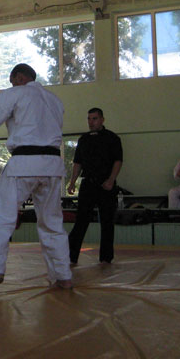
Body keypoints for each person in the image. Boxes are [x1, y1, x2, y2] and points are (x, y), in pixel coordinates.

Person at [0, 64, 72, 295]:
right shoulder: (55, 100)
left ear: (18, 77)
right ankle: (63, 276)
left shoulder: (17, 93)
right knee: (52, 223)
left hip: (25, 163)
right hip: (52, 165)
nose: (11, 85)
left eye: (12, 81)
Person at [67, 108, 122, 265]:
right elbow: (77, 162)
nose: (91, 122)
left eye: (94, 118)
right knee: (81, 221)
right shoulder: (84, 139)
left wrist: (111, 179)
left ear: (102, 120)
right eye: (89, 119)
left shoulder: (112, 138)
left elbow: (118, 161)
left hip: (106, 184)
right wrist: (72, 181)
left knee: (107, 222)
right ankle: (70, 256)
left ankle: (106, 257)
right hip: (88, 183)